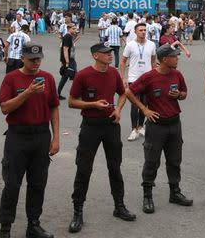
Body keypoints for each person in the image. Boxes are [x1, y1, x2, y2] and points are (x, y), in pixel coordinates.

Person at [67, 42, 135, 232]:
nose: (110, 55)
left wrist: (118, 110)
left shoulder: (113, 73)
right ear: (96, 55)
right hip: (90, 126)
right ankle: (77, 211)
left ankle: (119, 206)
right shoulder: (83, 75)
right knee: (83, 169)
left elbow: (123, 94)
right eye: (105, 53)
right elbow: (72, 102)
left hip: (110, 125)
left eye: (110, 52)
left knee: (115, 167)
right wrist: (93, 105)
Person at [0, 43, 59, 238]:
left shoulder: (48, 78)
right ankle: (5, 228)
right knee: (12, 184)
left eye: (38, 58)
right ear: (22, 58)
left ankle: (33, 225)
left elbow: (54, 108)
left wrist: (56, 137)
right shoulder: (11, 79)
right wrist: (28, 92)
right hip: (18, 136)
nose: (36, 62)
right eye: (32, 59)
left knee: (38, 184)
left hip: (41, 135)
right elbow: (5, 107)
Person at [125, 43, 193, 214]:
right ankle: (147, 195)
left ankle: (175, 192)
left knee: (174, 160)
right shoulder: (149, 77)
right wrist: (145, 109)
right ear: (164, 59)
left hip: (174, 124)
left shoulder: (177, 74)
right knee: (151, 162)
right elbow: (129, 92)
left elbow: (184, 93)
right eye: (174, 56)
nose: (177, 58)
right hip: (156, 126)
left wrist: (179, 95)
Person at [120, 23, 157, 142]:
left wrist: (155, 75)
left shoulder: (151, 45)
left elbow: (153, 60)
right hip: (133, 79)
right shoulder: (130, 45)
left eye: (145, 30)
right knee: (134, 105)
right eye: (140, 30)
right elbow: (123, 61)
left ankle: (141, 126)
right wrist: (123, 77)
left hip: (148, 79)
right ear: (135, 32)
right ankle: (133, 129)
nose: (143, 32)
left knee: (144, 104)